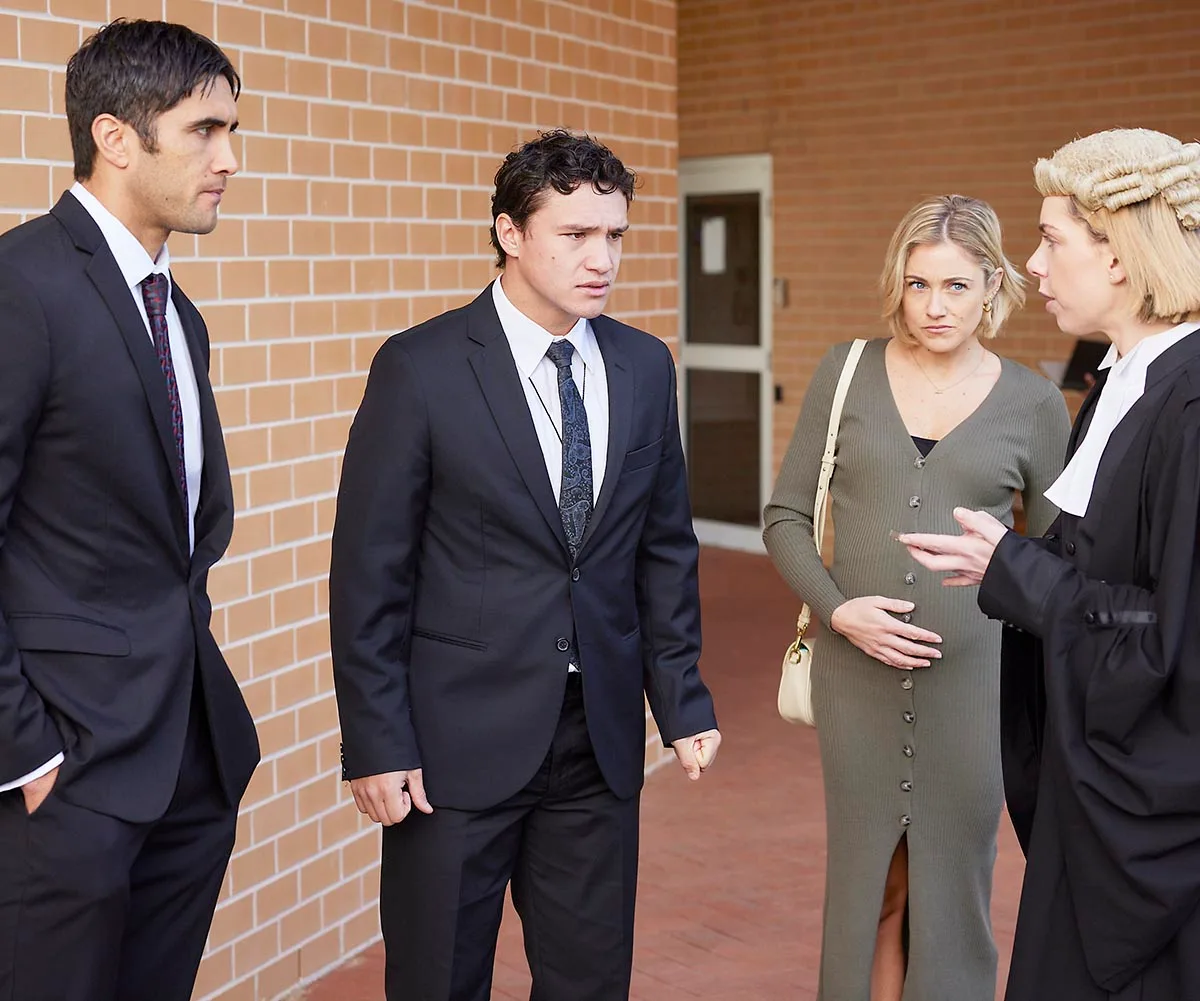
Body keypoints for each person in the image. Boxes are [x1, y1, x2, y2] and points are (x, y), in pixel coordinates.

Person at [329, 129, 721, 1001]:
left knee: (588, 983)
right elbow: (370, 572)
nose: (602, 258)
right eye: (575, 235)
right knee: (439, 980)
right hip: (451, 747)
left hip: (599, 739)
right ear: (510, 232)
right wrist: (376, 739)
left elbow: (663, 546)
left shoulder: (645, 366)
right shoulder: (421, 368)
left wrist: (680, 692)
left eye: (615, 236)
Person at [902, 129, 1200, 1001]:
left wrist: (1017, 570)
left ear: (1117, 254)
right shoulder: (1125, 380)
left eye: (1052, 240)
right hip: (1087, 798)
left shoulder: (1189, 404)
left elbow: (1170, 637)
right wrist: (1006, 562)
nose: (1032, 264)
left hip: (1149, 845)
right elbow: (1114, 564)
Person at [0, 18, 259, 1001]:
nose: (228, 159)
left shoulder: (175, 312)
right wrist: (23, 747)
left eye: (231, 131)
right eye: (203, 131)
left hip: (186, 766)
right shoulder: (20, 288)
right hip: (67, 777)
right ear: (116, 138)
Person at [764, 194, 1069, 1001]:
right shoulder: (844, 372)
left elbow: (1052, 564)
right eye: (918, 284)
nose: (936, 306)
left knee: (955, 885)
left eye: (958, 286)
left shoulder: (1035, 405)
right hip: (853, 679)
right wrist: (838, 612)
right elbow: (786, 515)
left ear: (993, 286)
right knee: (871, 883)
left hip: (976, 686)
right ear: (896, 286)